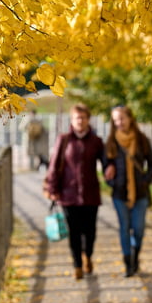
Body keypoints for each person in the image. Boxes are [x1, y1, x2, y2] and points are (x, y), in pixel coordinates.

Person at [43, 103, 107, 280]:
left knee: (90, 231)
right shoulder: (63, 140)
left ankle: (88, 255)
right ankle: (77, 265)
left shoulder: (96, 141)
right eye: (77, 118)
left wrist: (110, 170)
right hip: (68, 194)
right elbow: (54, 166)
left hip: (91, 194)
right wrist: (52, 189)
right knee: (74, 232)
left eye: (83, 117)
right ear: (72, 120)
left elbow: (106, 162)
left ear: (88, 119)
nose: (80, 121)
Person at [103, 105, 152, 277]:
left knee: (138, 229)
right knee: (124, 228)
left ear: (130, 118)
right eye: (116, 120)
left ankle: (135, 256)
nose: (119, 123)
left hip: (140, 193)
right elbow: (106, 166)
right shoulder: (111, 141)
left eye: (122, 118)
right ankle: (128, 263)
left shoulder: (141, 139)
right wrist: (111, 181)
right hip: (119, 194)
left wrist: (145, 181)